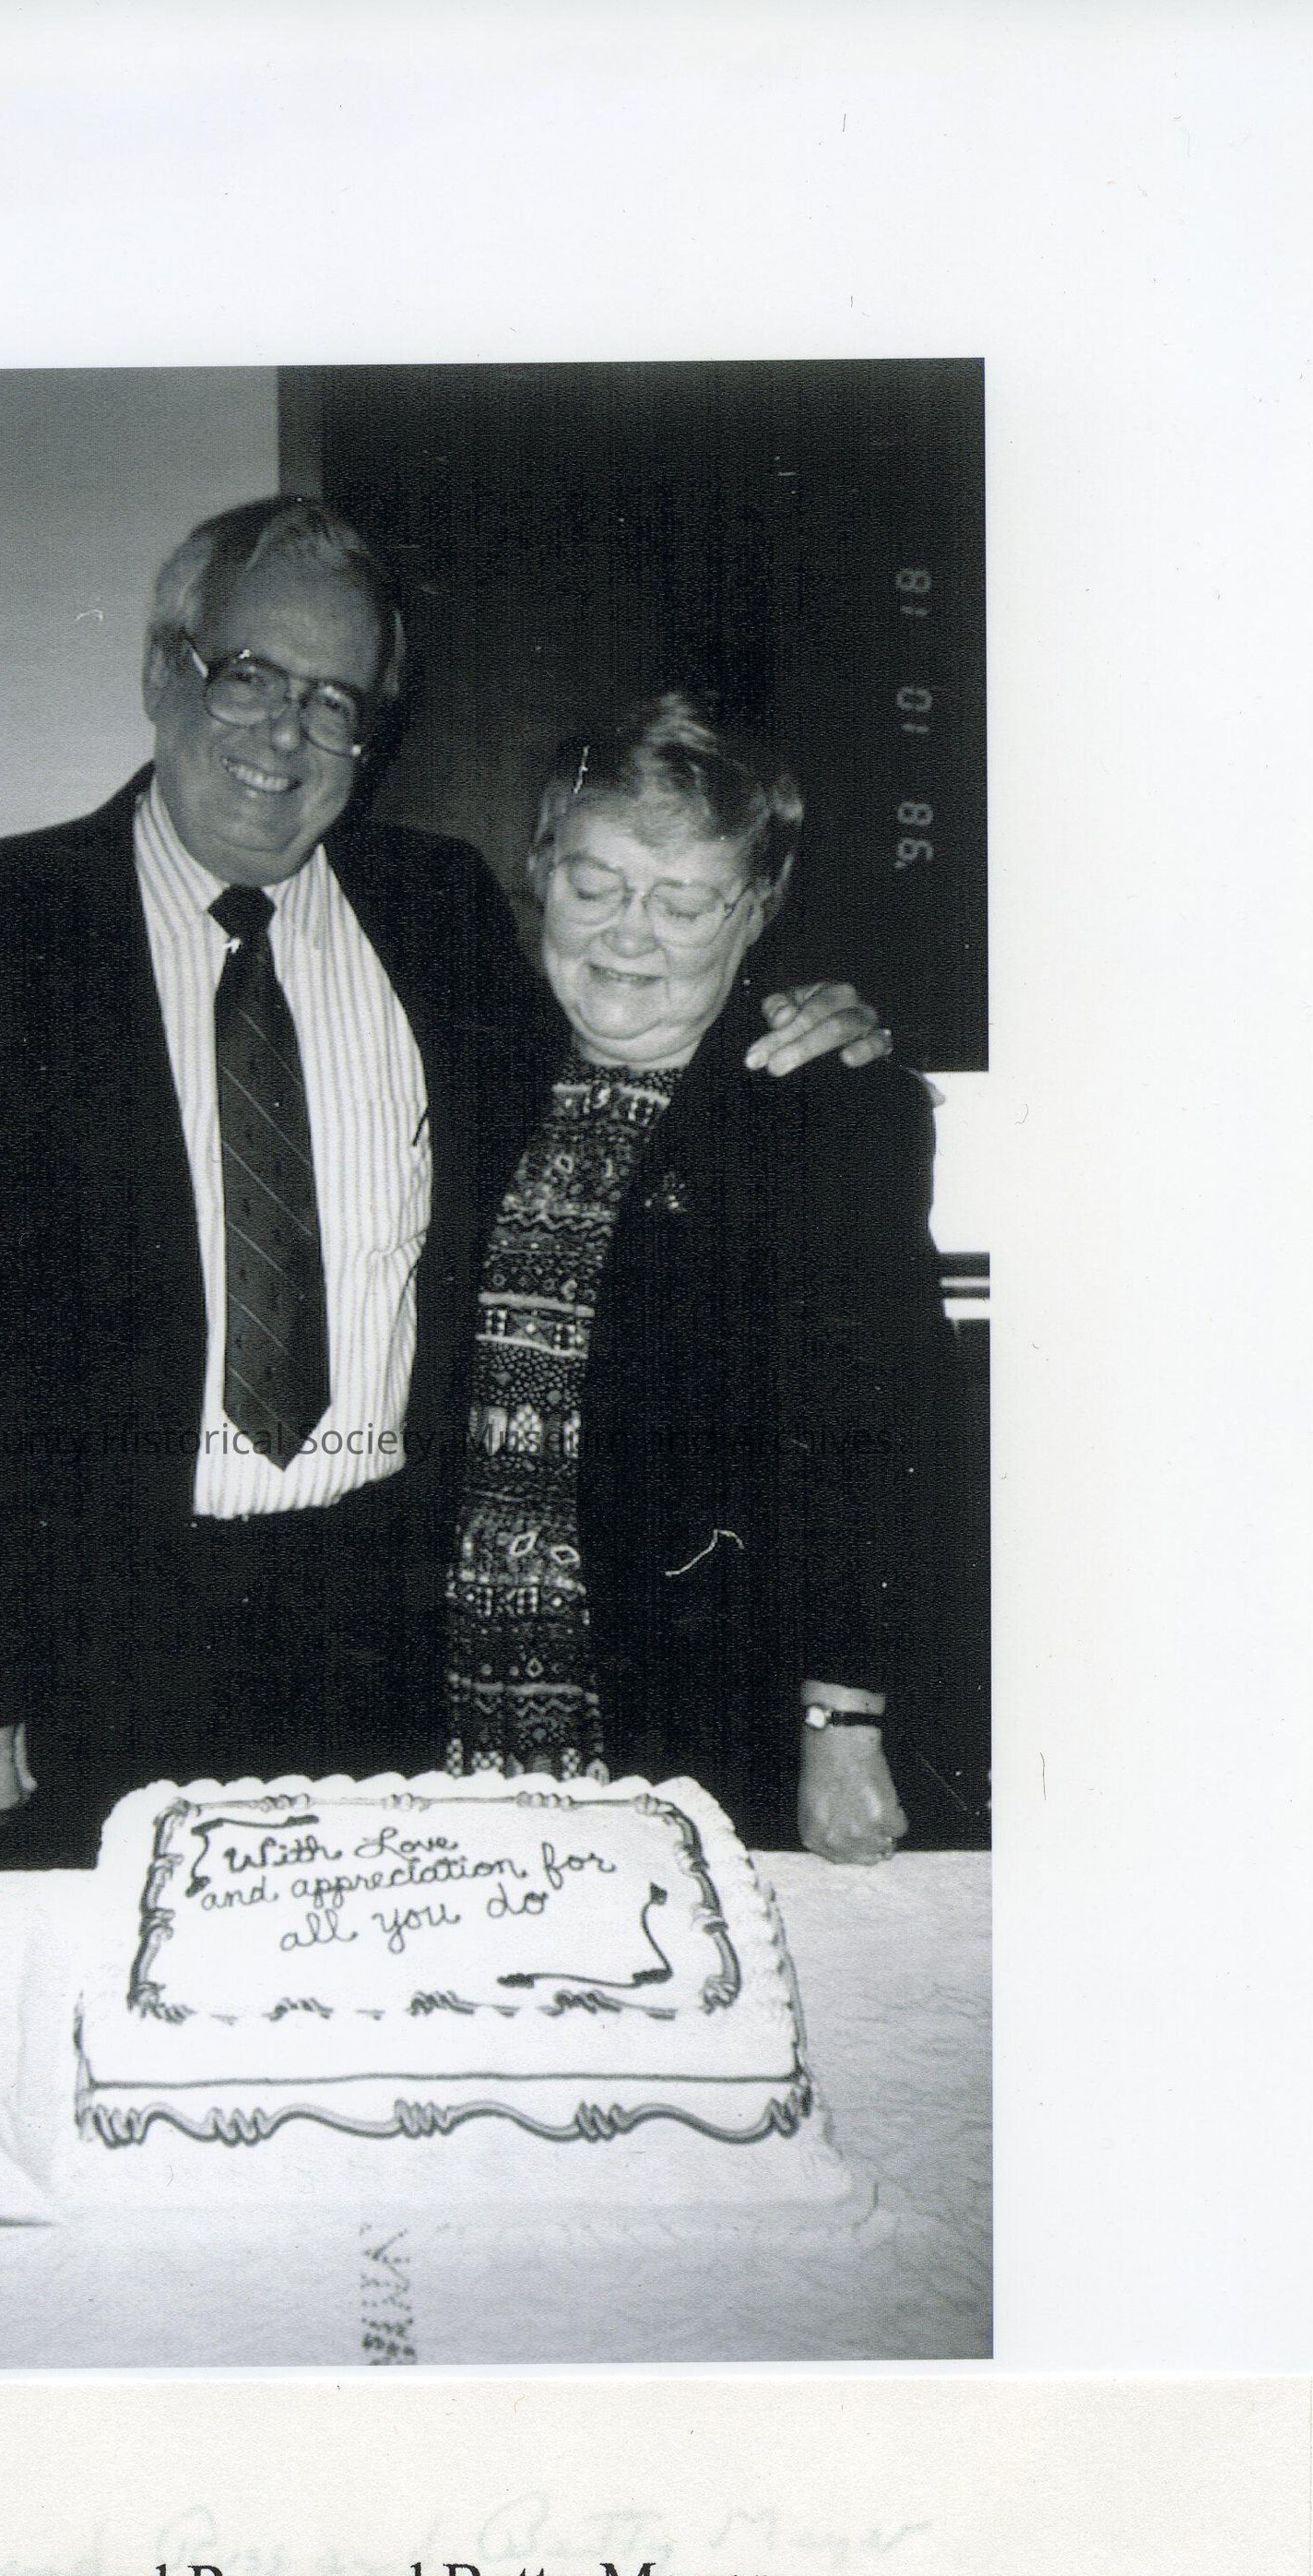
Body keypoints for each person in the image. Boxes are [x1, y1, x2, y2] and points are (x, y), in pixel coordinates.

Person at [0, 499, 891, 1867]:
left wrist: (804, 1023)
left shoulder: (437, 908)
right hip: (93, 1636)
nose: (284, 733)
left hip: (395, 1630)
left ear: (369, 735)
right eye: (248, 676)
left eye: (333, 701)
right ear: (162, 669)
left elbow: (636, 1051)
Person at [442, 694, 951, 1863]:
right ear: (540, 869)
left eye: (682, 904)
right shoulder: (468, 1067)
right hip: (453, 1691)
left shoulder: (829, 1111)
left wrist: (842, 1722)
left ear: (756, 908)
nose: (629, 936)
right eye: (594, 886)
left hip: (695, 1694)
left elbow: (886, 1433)